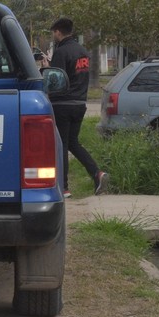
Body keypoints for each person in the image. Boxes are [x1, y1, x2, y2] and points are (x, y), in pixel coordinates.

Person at [48, 17, 108, 198]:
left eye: (53, 33)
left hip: (63, 105)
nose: (54, 36)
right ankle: (97, 174)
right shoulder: (83, 51)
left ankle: (64, 188)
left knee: (62, 145)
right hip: (80, 104)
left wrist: (46, 68)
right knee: (73, 143)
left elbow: (55, 80)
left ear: (58, 32)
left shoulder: (61, 52)